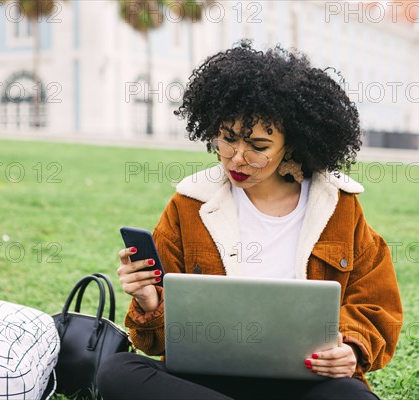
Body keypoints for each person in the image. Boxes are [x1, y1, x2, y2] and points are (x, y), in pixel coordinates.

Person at [97, 40, 403, 400]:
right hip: (207, 378)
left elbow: (377, 304)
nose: (236, 158)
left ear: (291, 144)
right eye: (227, 139)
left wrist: (350, 350)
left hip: (303, 381)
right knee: (118, 371)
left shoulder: (338, 205)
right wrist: (150, 301)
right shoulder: (189, 204)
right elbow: (157, 345)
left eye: (258, 146)